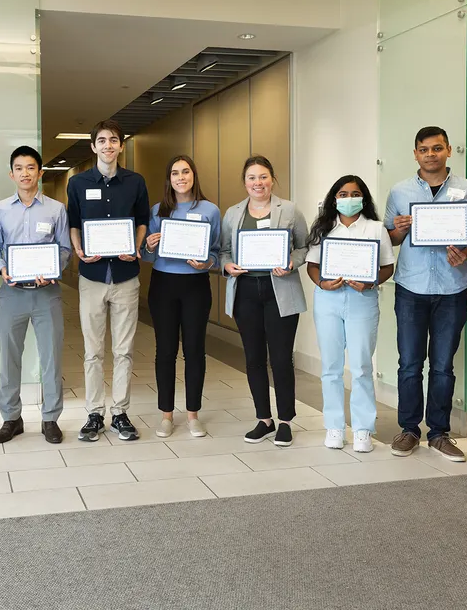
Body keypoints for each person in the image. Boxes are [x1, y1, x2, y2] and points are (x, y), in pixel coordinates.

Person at [384, 126, 467, 462]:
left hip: (451, 288)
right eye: (423, 149)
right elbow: (390, 240)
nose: (430, 154)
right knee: (410, 364)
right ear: (415, 154)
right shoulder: (399, 191)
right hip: (411, 288)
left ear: (448, 150)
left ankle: (440, 433)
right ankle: (409, 430)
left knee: (444, 366)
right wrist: (397, 230)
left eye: (436, 148)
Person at [66, 120, 151, 442]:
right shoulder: (77, 183)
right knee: (92, 350)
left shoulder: (135, 181)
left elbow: (142, 220)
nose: (107, 146)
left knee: (125, 350)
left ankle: (120, 412)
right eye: (101, 140)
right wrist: (78, 249)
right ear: (93, 146)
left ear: (120, 146)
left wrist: (137, 244)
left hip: (126, 276)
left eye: (113, 140)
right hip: (92, 276)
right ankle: (93, 413)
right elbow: (74, 222)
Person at [220, 156, 308, 448]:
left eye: (263, 177)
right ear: (244, 182)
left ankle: (285, 421)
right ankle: (264, 419)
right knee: (254, 358)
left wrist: (291, 263)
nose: (258, 183)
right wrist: (227, 266)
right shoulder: (233, 213)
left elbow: (304, 246)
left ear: (273, 179)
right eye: (251, 178)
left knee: (281, 358)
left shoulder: (290, 210)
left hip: (279, 289)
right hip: (245, 290)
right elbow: (223, 251)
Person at [0, 146, 72, 445]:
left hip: (46, 293)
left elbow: (64, 249)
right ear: (12, 174)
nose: (25, 173)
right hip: (12, 294)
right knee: (9, 357)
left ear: (40, 172)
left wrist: (52, 270)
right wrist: (2, 270)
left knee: (51, 357)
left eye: (31, 168)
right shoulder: (0, 210)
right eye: (19, 168)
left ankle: (50, 418)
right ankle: (12, 418)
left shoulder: (56, 209)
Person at [305, 176, 395, 453]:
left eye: (355, 194)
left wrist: (371, 282)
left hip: (362, 301)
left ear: (364, 199)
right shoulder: (324, 228)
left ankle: (363, 429)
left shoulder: (376, 229)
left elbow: (387, 266)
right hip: (328, 300)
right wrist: (323, 282)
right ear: (334, 198)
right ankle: (334, 425)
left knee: (361, 367)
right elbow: (312, 265)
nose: (348, 198)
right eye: (343, 194)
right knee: (331, 367)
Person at [143, 155, 221, 439]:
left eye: (185, 172)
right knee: (165, 350)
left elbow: (216, 251)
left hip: (195, 286)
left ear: (193, 175)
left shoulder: (210, 210)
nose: (180, 177)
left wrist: (206, 263)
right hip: (163, 285)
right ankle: (166, 415)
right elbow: (148, 256)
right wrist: (149, 245)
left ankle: (192, 415)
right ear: (169, 179)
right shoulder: (157, 210)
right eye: (174, 173)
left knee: (194, 350)